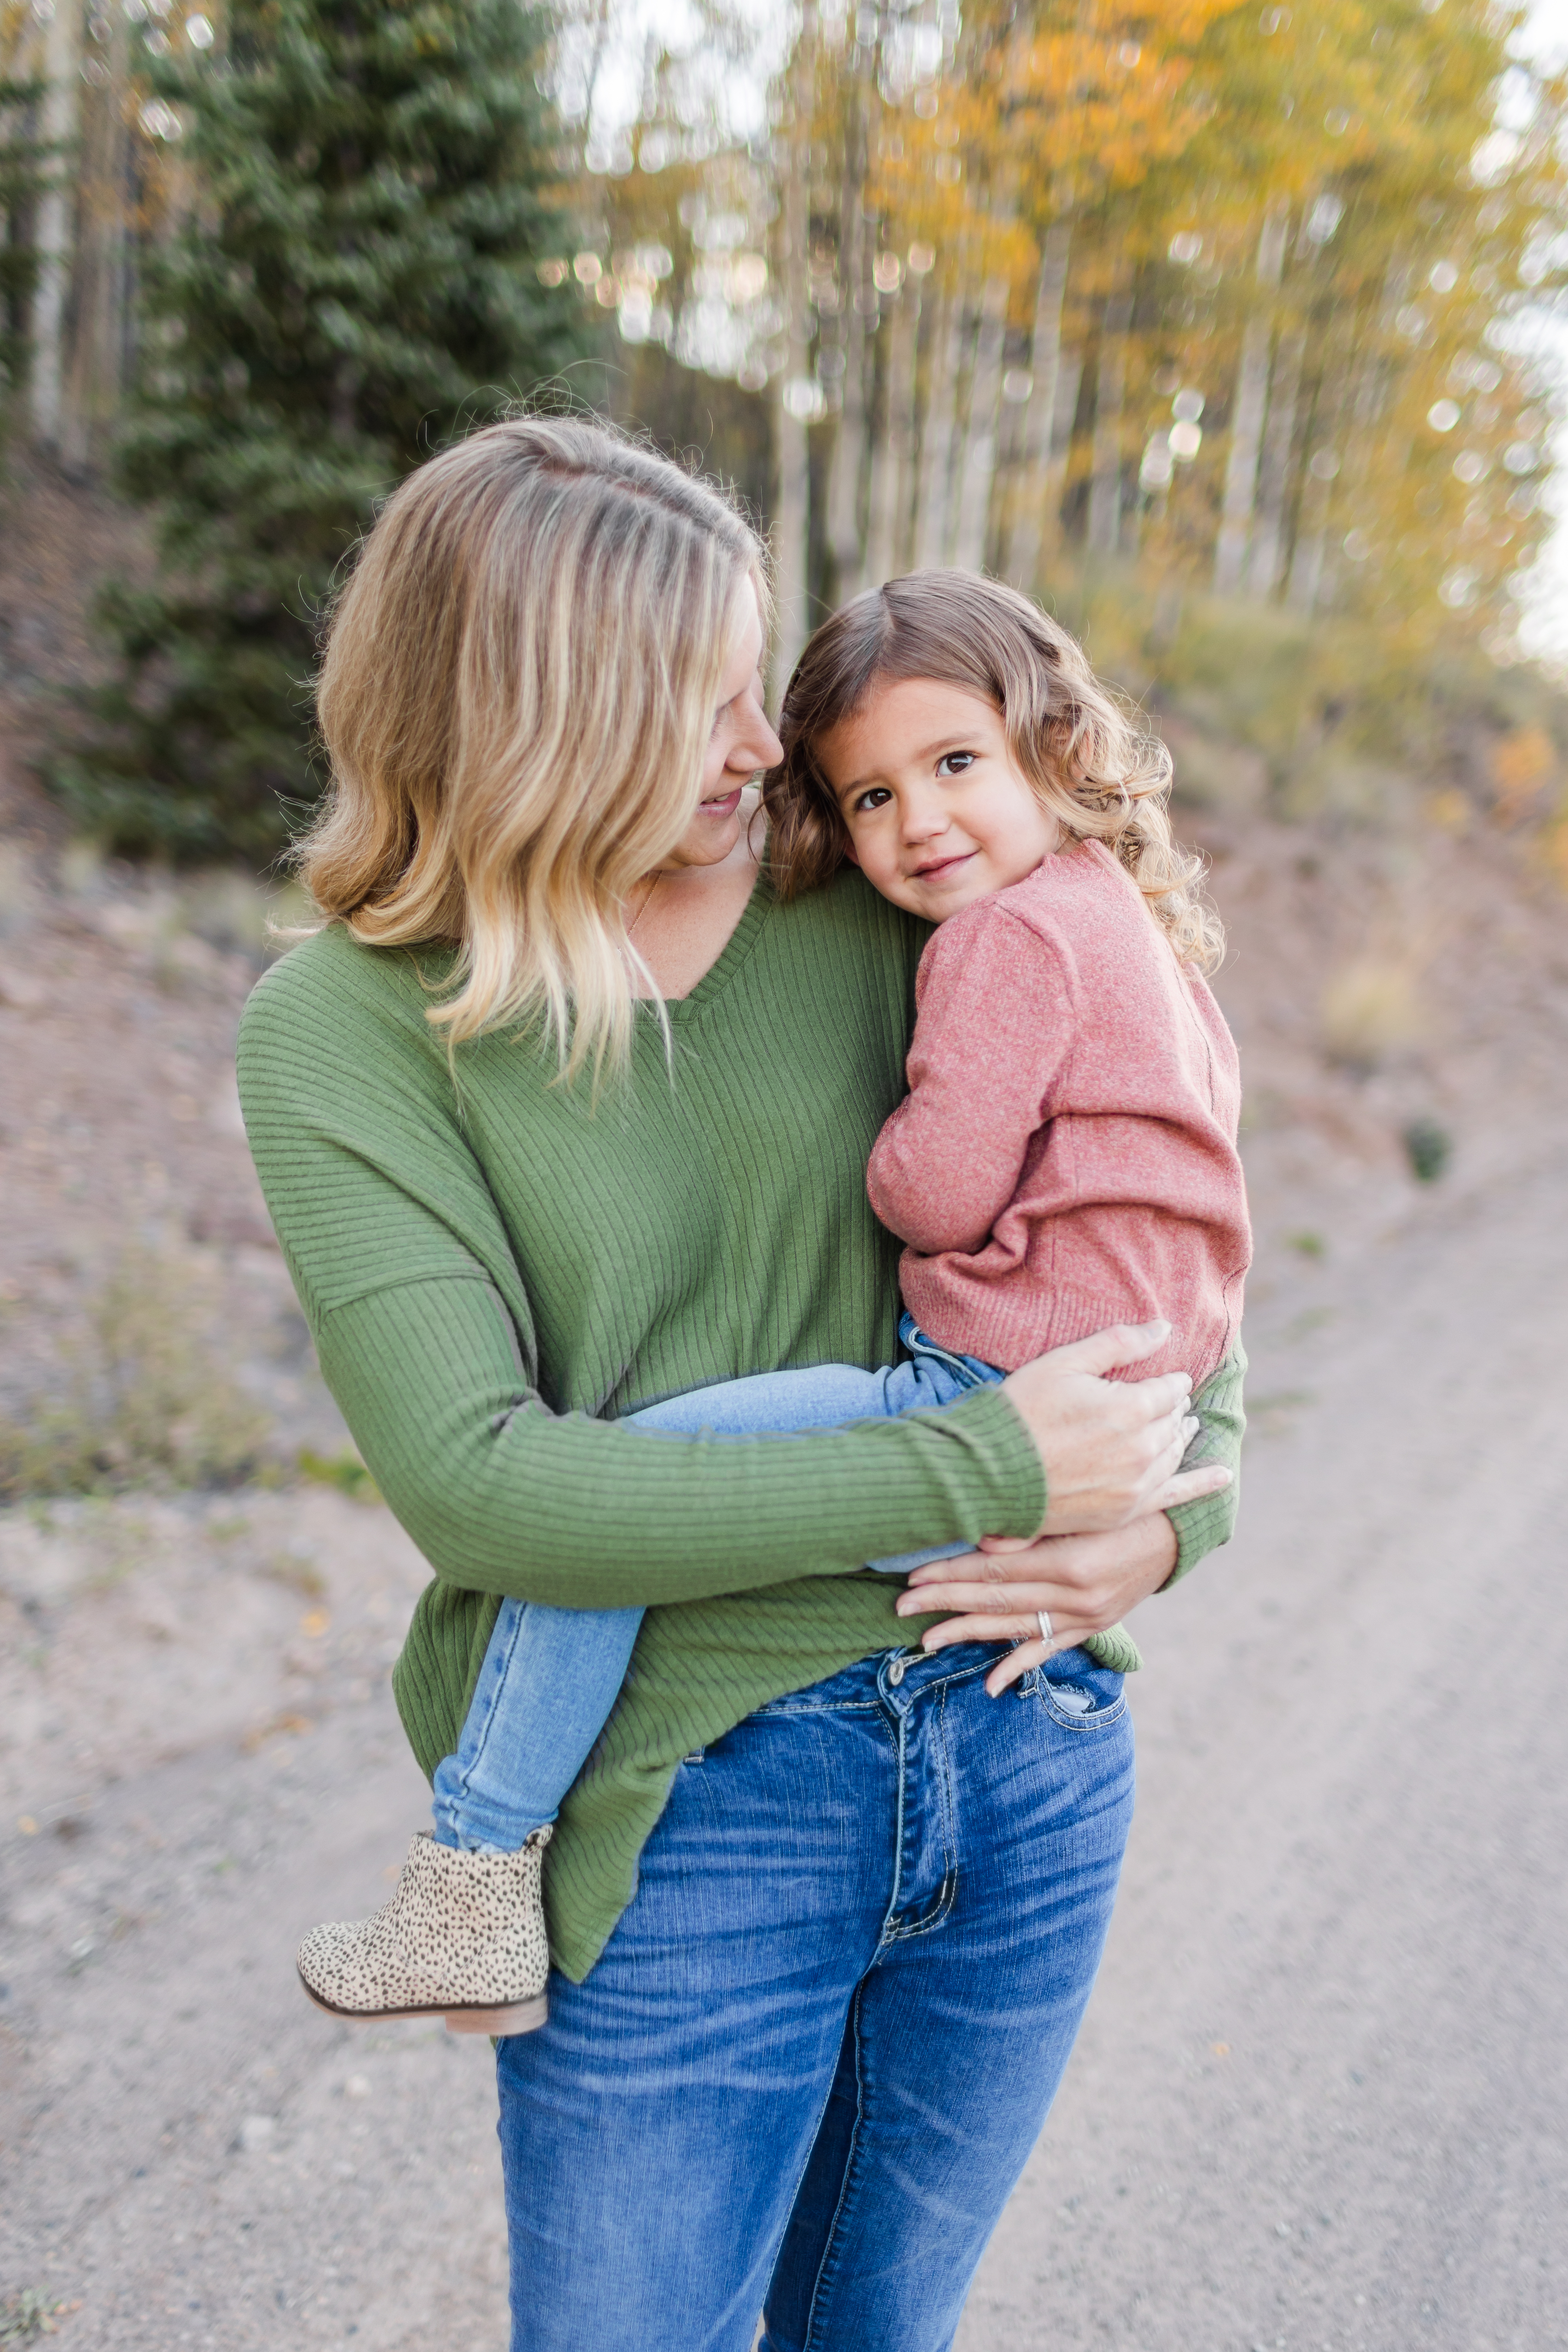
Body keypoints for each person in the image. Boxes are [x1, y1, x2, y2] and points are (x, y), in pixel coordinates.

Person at [237, 414, 1244, 2352]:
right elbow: (485, 1486)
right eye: (695, 698)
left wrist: (1176, 1524)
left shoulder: (877, 894)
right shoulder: (346, 1032)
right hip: (696, 1802)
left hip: (1020, 1745)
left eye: (751, 679)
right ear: (534, 712)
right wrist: (977, 1455)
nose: (766, 745)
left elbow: (1158, 1196)